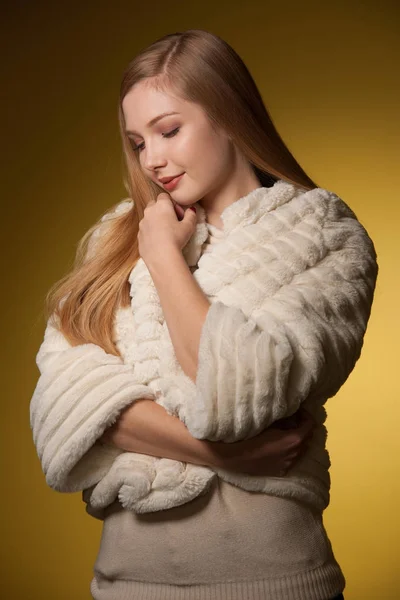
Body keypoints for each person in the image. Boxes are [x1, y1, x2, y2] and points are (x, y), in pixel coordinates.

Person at [29, 29, 378, 600]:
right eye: (138, 142)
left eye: (169, 130)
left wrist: (165, 260)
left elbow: (233, 394)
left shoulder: (325, 235)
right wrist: (225, 455)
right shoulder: (115, 240)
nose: (154, 160)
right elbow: (63, 407)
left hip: (273, 582)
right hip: (122, 584)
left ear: (230, 115)